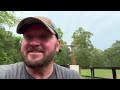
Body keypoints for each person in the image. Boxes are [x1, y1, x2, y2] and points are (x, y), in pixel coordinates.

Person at [0, 16, 82, 79]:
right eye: (28, 36)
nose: (34, 43)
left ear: (57, 45)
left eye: (43, 36)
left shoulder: (71, 76)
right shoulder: (4, 74)